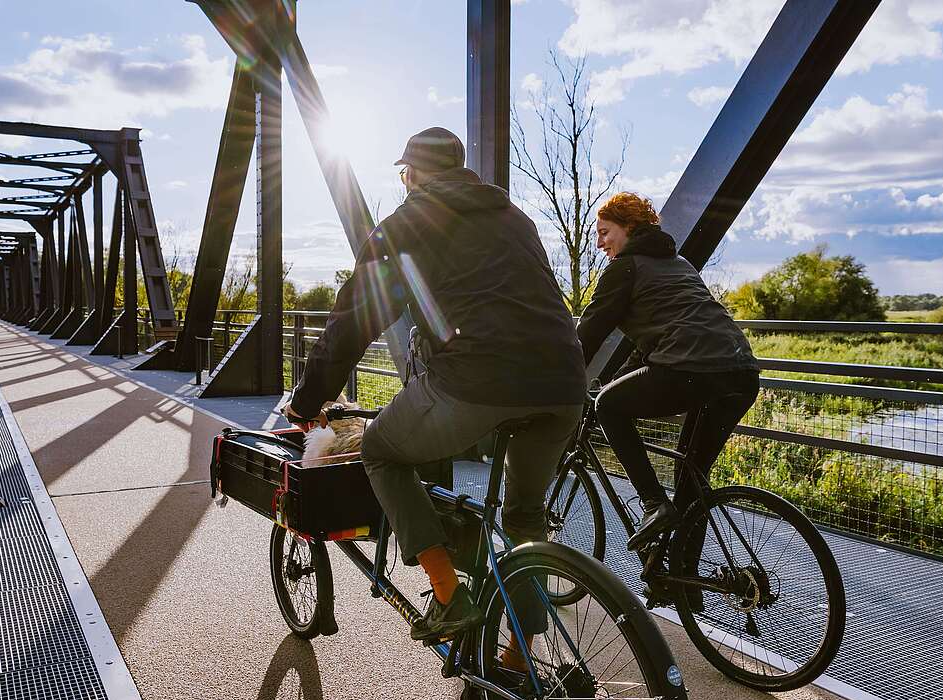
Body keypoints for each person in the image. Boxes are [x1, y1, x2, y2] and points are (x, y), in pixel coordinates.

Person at [287, 127, 587, 650]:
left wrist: (309, 400)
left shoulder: (407, 222)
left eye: (404, 173)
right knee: (524, 513)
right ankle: (521, 654)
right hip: (563, 382)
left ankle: (448, 595)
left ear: (413, 174)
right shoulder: (515, 218)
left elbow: (354, 320)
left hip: (477, 378)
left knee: (381, 450)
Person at [576, 192, 759, 551]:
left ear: (628, 228)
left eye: (604, 232)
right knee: (692, 479)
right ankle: (684, 578)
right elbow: (656, 344)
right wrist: (615, 381)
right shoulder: (679, 262)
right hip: (740, 371)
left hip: (694, 368)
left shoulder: (624, 268)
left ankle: (653, 503)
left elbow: (588, 335)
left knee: (608, 407)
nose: (599, 243)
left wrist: (558, 378)